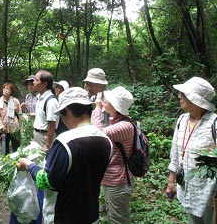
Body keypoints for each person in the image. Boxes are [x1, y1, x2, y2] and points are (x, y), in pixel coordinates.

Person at [17, 87, 112, 224]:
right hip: (91, 214)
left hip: (63, 216)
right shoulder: (105, 140)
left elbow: (47, 181)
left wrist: (28, 164)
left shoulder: (65, 142)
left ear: (68, 111)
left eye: (61, 115)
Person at [165, 77, 217, 223]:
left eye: (184, 94)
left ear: (196, 99)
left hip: (208, 194)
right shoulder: (182, 120)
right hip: (186, 189)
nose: (180, 96)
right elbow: (175, 154)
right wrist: (171, 182)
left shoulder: (214, 123)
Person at [91, 86, 135, 224]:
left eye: (108, 100)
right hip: (112, 178)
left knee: (119, 220)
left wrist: (97, 108)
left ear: (115, 106)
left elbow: (96, 133)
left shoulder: (123, 126)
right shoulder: (116, 120)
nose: (105, 100)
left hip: (118, 181)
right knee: (113, 213)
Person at [32, 70, 59, 153]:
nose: (34, 82)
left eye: (36, 80)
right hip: (38, 135)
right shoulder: (40, 97)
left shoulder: (51, 101)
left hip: (45, 137)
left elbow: (52, 124)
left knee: (44, 162)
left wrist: (47, 144)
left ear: (44, 84)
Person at [0, 82, 22, 155]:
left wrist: (20, 127)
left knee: (16, 148)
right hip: (4, 129)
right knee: (5, 148)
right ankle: (6, 163)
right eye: (4, 88)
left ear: (11, 91)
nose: (5, 90)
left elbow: (20, 114)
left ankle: (17, 163)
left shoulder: (15, 101)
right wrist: (1, 127)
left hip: (15, 128)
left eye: (7, 89)